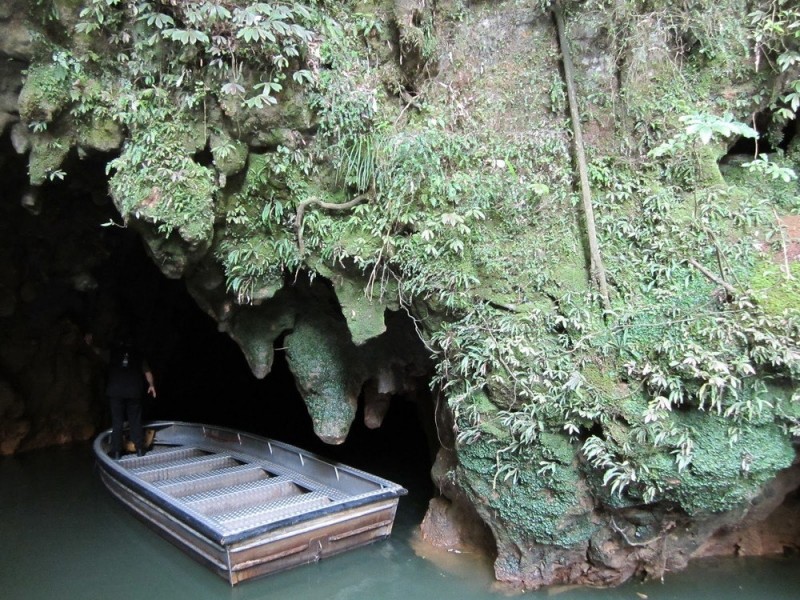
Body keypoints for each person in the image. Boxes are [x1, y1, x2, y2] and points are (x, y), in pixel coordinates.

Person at [89, 327, 157, 458]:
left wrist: (90, 345)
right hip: (133, 392)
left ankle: (116, 452)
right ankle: (139, 450)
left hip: (116, 392)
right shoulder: (138, 354)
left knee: (117, 422)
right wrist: (151, 385)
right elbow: (147, 371)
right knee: (135, 420)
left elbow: (98, 352)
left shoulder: (112, 353)